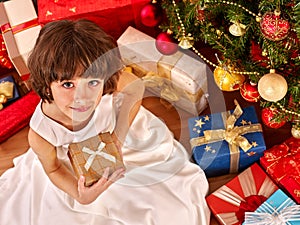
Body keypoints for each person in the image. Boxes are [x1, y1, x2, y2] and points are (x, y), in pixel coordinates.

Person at [0, 19, 210, 225]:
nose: (81, 97)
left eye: (92, 82)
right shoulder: (41, 134)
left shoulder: (111, 81)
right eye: (67, 84)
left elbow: (135, 88)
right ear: (46, 86)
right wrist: (79, 194)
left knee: (165, 205)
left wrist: (119, 134)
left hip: (122, 141)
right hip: (75, 167)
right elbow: (54, 169)